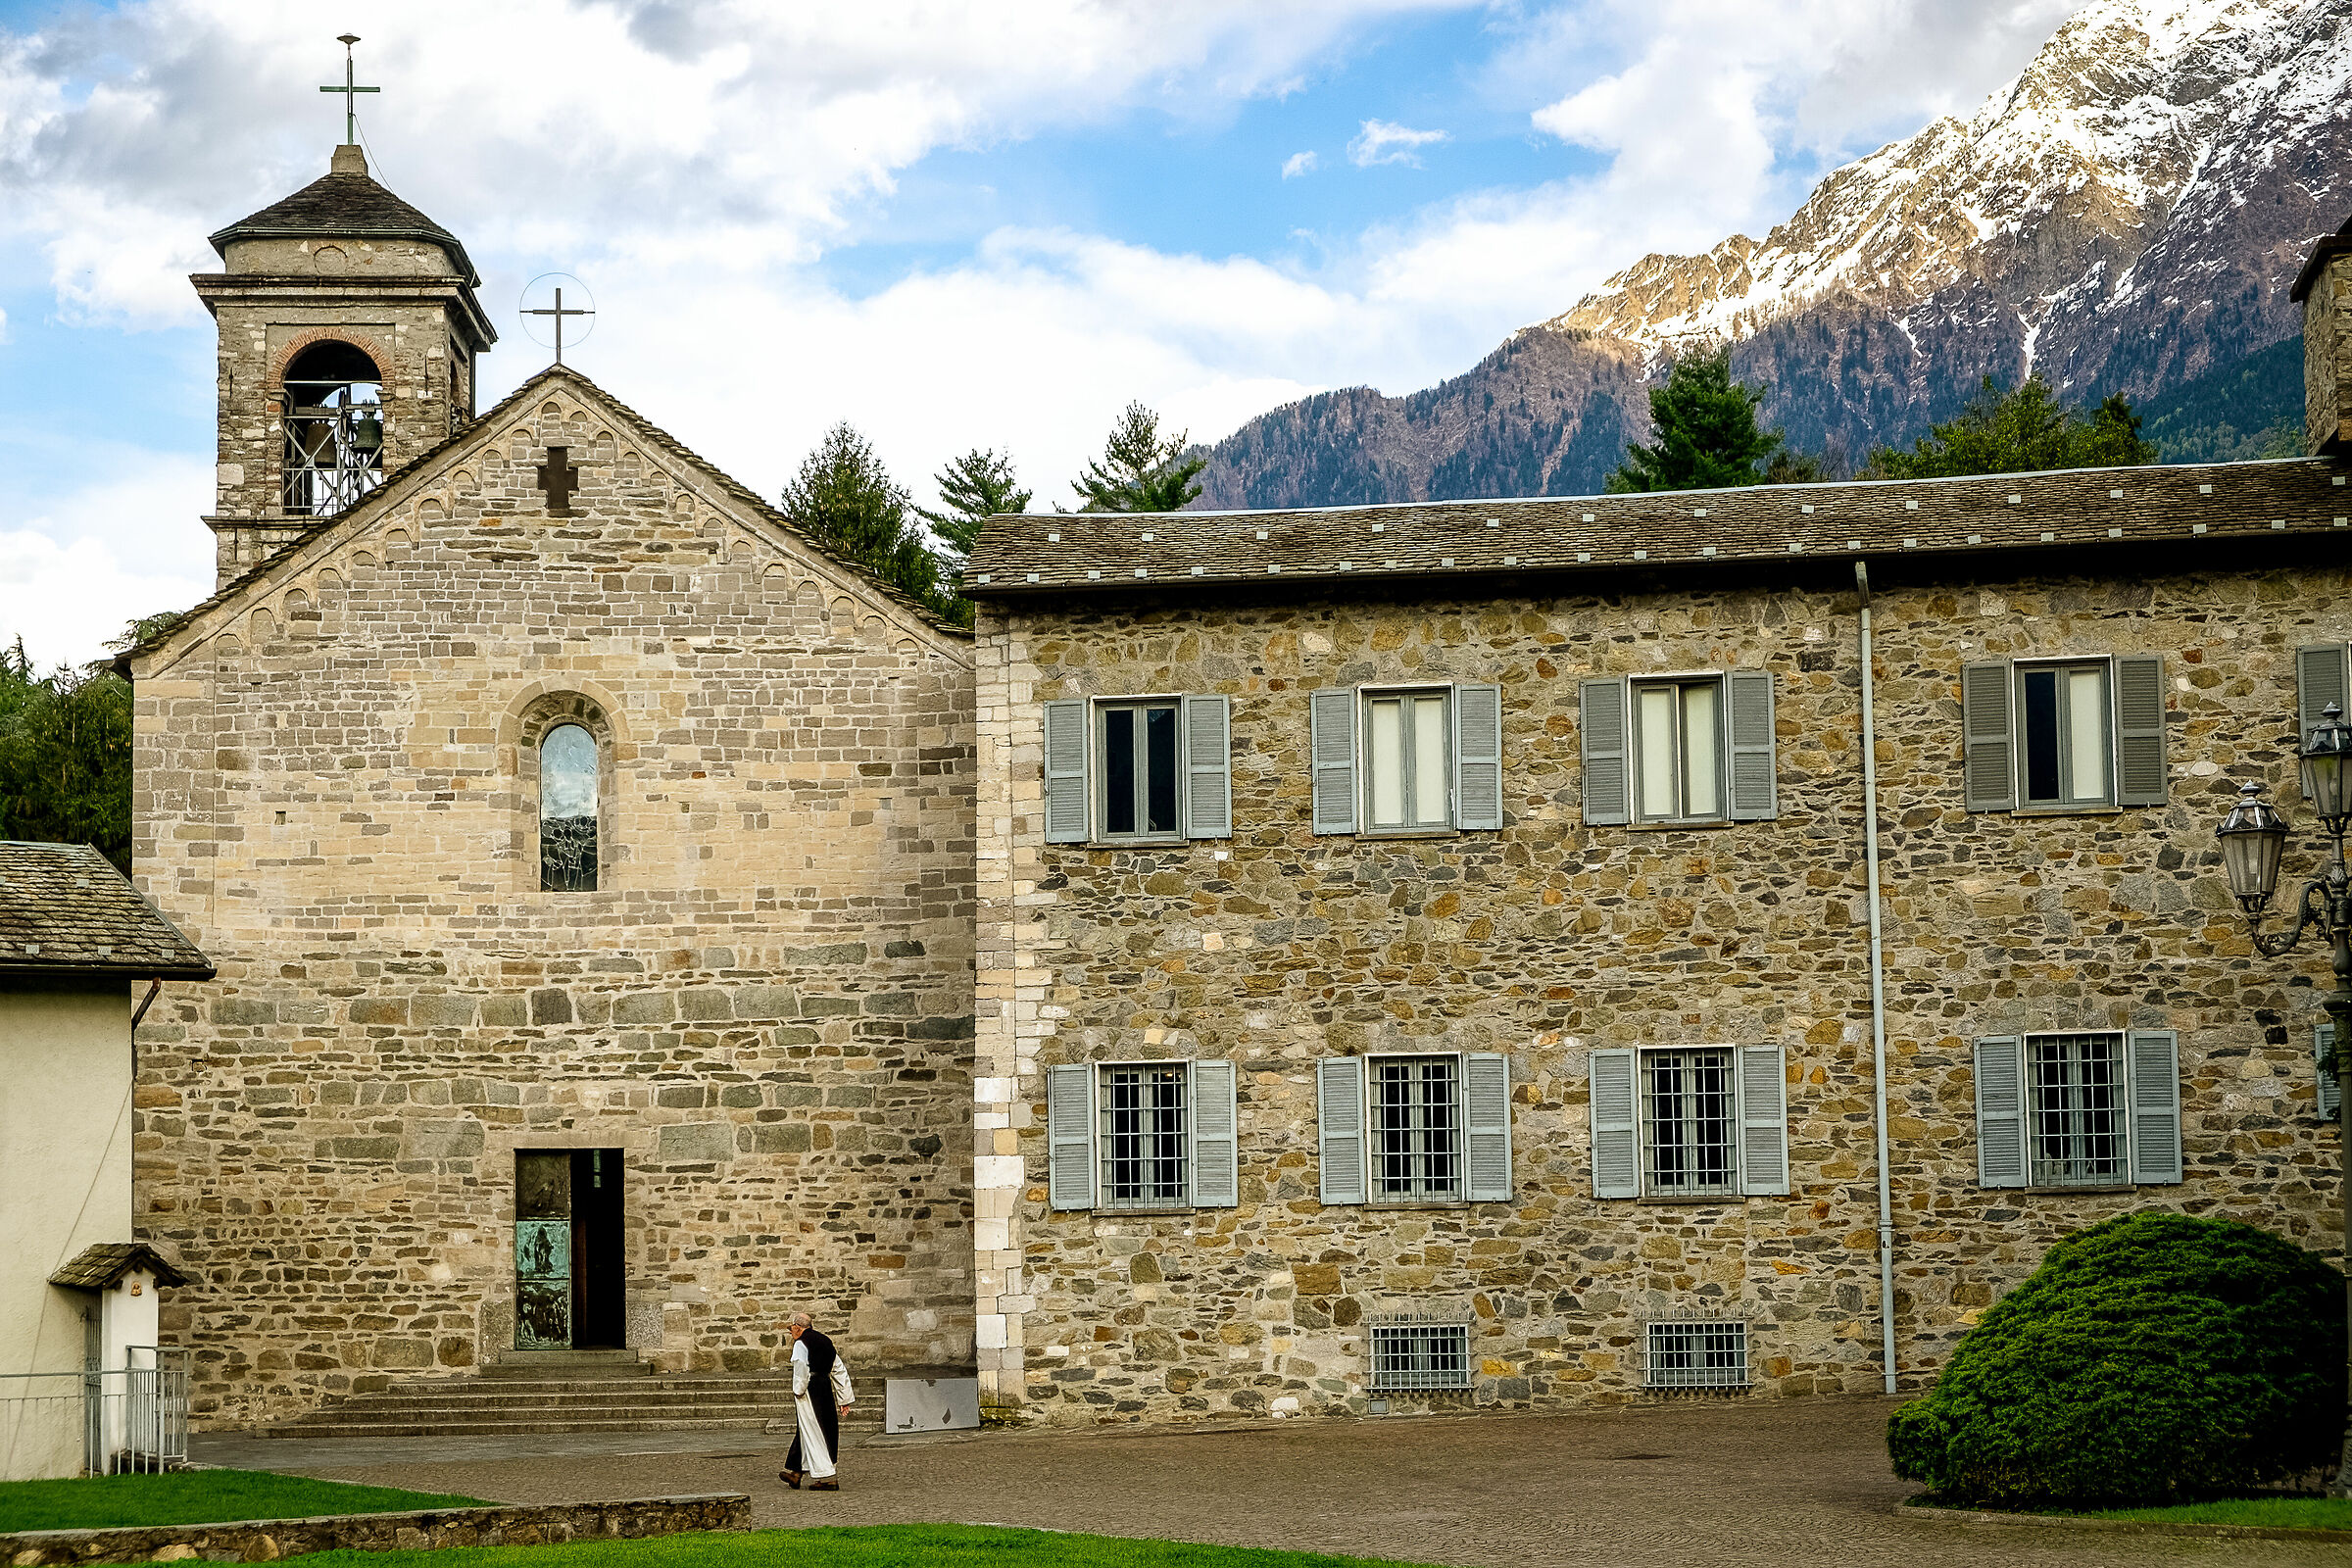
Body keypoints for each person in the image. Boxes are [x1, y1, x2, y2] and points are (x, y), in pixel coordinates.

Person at [779, 1310, 855, 1491]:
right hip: (824, 1387)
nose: (791, 1333)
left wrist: (799, 1390)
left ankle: (828, 1477)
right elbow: (838, 1369)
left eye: (791, 1329)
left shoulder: (801, 1343)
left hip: (810, 1390)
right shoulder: (825, 1341)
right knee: (808, 1428)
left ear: (797, 1328)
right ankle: (796, 1473)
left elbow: (801, 1366)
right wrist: (844, 1398)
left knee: (814, 1429)